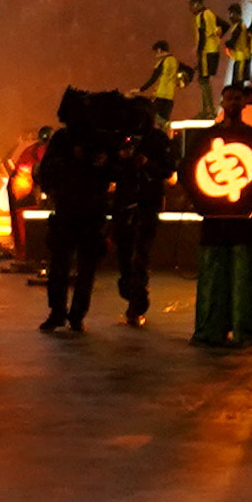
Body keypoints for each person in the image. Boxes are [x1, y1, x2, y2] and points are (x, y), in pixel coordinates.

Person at [192, 87, 252, 347]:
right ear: (222, 101)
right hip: (215, 220)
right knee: (213, 276)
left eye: (238, 99)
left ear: (243, 103)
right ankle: (210, 328)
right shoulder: (206, 138)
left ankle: (244, 329)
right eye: (230, 99)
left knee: (245, 277)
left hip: (246, 222)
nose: (234, 103)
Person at [38, 88, 114, 334]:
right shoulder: (64, 139)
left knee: (81, 268)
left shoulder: (97, 140)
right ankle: (62, 313)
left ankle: (72, 314)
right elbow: (48, 171)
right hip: (71, 210)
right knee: (65, 267)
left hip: (87, 211)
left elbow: (111, 171)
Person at [110, 93, 174, 328]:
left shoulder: (158, 139)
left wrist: (146, 164)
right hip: (123, 203)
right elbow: (109, 170)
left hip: (147, 204)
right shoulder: (120, 139)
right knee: (124, 256)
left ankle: (136, 305)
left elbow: (168, 170)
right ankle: (131, 292)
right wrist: (120, 160)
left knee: (140, 256)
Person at [190, 0, 231, 118]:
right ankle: (207, 110)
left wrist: (198, 52)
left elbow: (202, 36)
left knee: (204, 81)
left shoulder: (201, 16)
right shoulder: (210, 14)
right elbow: (225, 25)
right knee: (204, 80)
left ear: (197, 4)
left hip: (206, 52)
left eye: (192, 5)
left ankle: (209, 110)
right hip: (213, 51)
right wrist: (218, 36)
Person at [139, 42, 184, 127]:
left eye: (156, 52)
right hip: (170, 97)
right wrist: (182, 82)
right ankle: (165, 129)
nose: (155, 55)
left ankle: (162, 127)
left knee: (149, 114)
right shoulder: (176, 62)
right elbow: (188, 72)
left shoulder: (162, 62)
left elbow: (153, 78)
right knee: (163, 123)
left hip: (160, 95)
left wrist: (141, 89)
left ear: (159, 50)